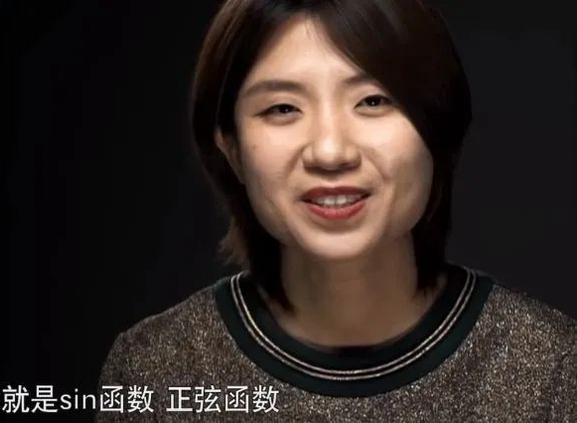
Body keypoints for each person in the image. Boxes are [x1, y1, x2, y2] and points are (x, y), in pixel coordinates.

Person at [96, 0, 576, 421]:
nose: (330, 151)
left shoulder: (550, 368)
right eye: (282, 108)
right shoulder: (158, 370)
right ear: (232, 149)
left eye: (373, 100)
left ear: (438, 129)